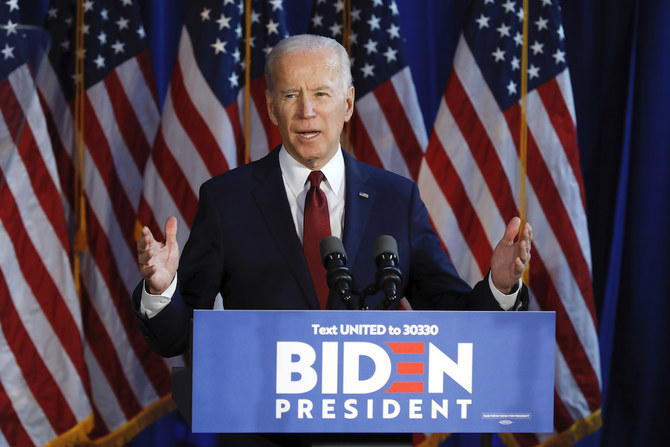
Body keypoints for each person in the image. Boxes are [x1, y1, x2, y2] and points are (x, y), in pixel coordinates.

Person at [133, 34, 532, 446]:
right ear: (271, 106)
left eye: (322, 93)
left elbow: (454, 316)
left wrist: (501, 288)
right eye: (291, 95)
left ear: (347, 103)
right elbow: (176, 336)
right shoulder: (226, 200)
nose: (307, 111)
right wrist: (161, 292)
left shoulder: (397, 199)